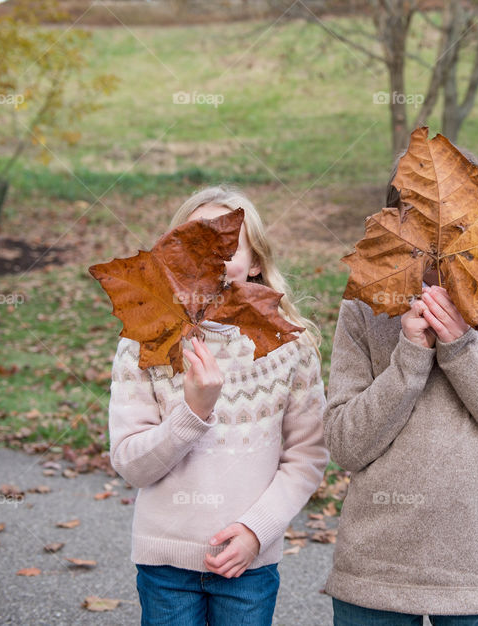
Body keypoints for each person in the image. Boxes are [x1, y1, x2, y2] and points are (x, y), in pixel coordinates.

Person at [323, 148, 478, 625]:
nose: (439, 235)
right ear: (393, 223)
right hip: (375, 576)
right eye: (418, 217)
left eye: (459, 217)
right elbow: (345, 445)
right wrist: (409, 357)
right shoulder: (367, 306)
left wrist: (461, 351)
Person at [106, 185, 329, 626]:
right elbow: (132, 464)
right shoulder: (143, 342)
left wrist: (256, 532)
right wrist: (192, 411)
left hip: (247, 564)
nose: (208, 262)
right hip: (165, 565)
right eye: (194, 247)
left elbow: (306, 456)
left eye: (225, 249)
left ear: (256, 263)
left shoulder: (288, 345)